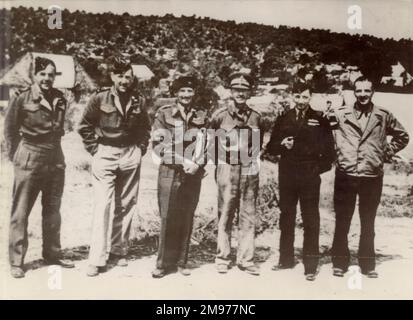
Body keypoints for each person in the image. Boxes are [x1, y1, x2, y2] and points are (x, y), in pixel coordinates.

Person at [329, 76, 409, 278]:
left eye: (367, 90)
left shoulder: (383, 115)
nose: (363, 95)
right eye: (359, 91)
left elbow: (403, 136)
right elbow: (324, 133)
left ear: (373, 92)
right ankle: (339, 262)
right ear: (353, 92)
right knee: (342, 220)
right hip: (346, 174)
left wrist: (386, 152)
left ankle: (367, 264)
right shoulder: (340, 113)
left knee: (368, 221)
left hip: (371, 175)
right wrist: (335, 153)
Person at [78, 57, 151, 277]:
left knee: (126, 205)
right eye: (119, 76)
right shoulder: (100, 97)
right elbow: (84, 126)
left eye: (127, 76)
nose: (124, 80)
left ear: (132, 78)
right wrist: (95, 149)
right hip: (106, 153)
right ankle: (97, 258)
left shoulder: (138, 100)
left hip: (130, 154)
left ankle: (119, 251)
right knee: (103, 205)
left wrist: (140, 149)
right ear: (112, 76)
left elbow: (145, 128)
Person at [4, 56, 74, 278]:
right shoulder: (22, 98)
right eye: (42, 74)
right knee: (21, 211)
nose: (46, 78)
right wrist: (19, 156)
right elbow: (10, 131)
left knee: (53, 210)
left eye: (51, 75)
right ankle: (16, 261)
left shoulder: (59, 98)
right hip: (30, 155)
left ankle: (52, 254)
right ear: (34, 75)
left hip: (55, 157)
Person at [265, 81, 335, 281]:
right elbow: (271, 148)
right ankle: (285, 259)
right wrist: (281, 144)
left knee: (310, 218)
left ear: (310, 97)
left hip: (309, 175)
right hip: (287, 173)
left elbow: (329, 151)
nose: (301, 100)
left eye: (305, 96)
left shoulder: (319, 119)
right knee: (286, 215)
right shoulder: (284, 117)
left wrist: (316, 169)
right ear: (292, 96)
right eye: (298, 96)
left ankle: (310, 265)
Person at [151, 76, 208, 278]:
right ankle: (163, 263)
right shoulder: (164, 114)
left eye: (189, 91)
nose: (185, 95)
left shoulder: (201, 115)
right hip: (170, 171)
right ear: (176, 93)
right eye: (182, 91)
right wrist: (182, 162)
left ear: (194, 93)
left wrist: (198, 164)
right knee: (168, 215)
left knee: (187, 215)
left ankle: (182, 261)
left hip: (193, 173)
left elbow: (207, 144)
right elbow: (158, 146)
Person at [209, 72, 263, 276]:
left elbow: (258, 144)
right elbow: (211, 143)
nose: (240, 93)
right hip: (227, 166)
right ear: (231, 91)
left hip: (249, 168)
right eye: (236, 90)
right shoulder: (220, 115)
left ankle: (246, 259)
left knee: (248, 214)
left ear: (249, 92)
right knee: (226, 212)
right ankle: (222, 256)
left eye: (244, 90)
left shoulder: (256, 116)